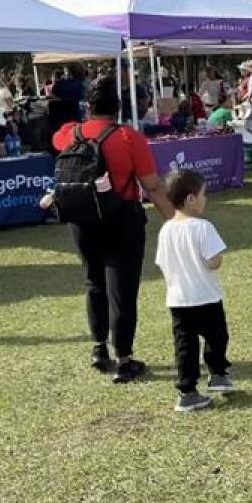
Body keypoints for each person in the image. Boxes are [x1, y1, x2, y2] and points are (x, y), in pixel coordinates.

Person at [51, 78, 175, 383]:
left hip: (81, 218)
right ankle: (125, 358)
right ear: (118, 107)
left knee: (94, 281)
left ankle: (98, 348)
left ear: (88, 105)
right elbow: (152, 186)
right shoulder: (129, 138)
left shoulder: (70, 134)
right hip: (121, 218)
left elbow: (56, 139)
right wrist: (176, 220)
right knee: (122, 290)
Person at [155, 169, 234, 412]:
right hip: (206, 296)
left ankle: (187, 391)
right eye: (203, 194)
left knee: (185, 346)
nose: (205, 199)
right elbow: (214, 261)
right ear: (190, 198)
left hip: (178, 300)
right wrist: (214, 261)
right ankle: (218, 373)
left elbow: (162, 263)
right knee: (216, 337)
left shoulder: (166, 229)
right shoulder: (203, 227)